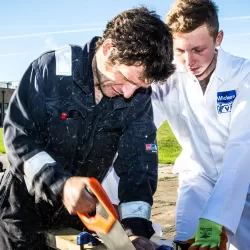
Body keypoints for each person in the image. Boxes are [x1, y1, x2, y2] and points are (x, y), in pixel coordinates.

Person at [0, 7, 175, 250]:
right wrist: (60, 184)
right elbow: (18, 138)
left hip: (81, 219)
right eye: (125, 79)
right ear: (107, 49)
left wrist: (135, 229)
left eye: (138, 86)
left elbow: (138, 163)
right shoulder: (50, 70)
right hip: (22, 213)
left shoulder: (137, 94)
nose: (128, 94)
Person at [152, 0, 250, 249]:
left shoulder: (244, 76)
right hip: (197, 179)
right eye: (180, 51)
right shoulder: (166, 79)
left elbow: (242, 147)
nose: (188, 61)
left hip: (245, 183)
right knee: (189, 243)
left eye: (198, 50)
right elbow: (138, 131)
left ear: (218, 39)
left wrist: (216, 218)